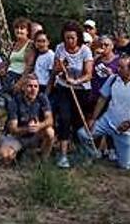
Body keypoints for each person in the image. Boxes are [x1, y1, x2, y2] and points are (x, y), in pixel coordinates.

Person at [78, 56, 130, 170]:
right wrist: (93, 118)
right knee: (83, 134)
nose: (118, 69)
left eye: (121, 67)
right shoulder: (112, 79)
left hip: (126, 129)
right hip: (107, 121)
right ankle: (91, 154)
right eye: (118, 66)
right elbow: (102, 98)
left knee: (126, 166)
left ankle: (118, 153)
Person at [51, 21, 94, 169]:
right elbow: (56, 70)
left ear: (78, 38)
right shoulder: (60, 48)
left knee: (78, 122)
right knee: (64, 118)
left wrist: (76, 80)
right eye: (66, 38)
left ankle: (84, 151)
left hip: (81, 90)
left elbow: (89, 74)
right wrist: (60, 67)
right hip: (64, 88)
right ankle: (63, 155)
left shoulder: (85, 51)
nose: (69, 41)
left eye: (72, 38)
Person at [0, 74, 54, 164]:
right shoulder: (14, 102)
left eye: (36, 86)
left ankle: (43, 161)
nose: (33, 89)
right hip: (18, 136)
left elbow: (50, 120)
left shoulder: (42, 98)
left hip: (36, 134)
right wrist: (28, 129)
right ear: (23, 88)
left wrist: (39, 126)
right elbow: (13, 128)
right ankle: (20, 155)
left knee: (50, 132)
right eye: (30, 86)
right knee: (4, 156)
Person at [6, 17, 35, 85]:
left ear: (27, 31)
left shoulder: (30, 45)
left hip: (20, 77)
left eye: (22, 28)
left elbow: (29, 66)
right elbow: (9, 62)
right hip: (9, 76)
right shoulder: (13, 45)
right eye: (17, 28)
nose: (19, 30)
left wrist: (20, 82)